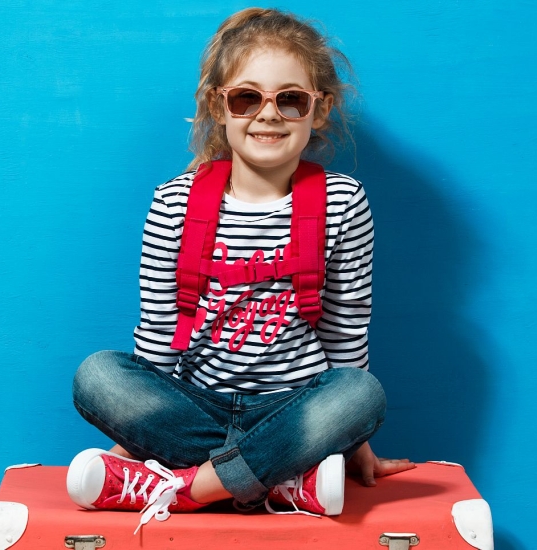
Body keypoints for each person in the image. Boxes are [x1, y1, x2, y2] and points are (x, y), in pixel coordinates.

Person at [67, 7, 415, 532]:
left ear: (319, 111)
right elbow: (158, 336)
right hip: (195, 407)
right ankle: (280, 481)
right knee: (98, 376)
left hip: (293, 408)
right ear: (219, 106)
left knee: (361, 395)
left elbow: (346, 333)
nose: (267, 114)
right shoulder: (174, 204)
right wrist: (135, 433)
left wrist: (352, 436)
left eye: (291, 99)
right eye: (247, 97)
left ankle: (186, 489)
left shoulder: (342, 202)